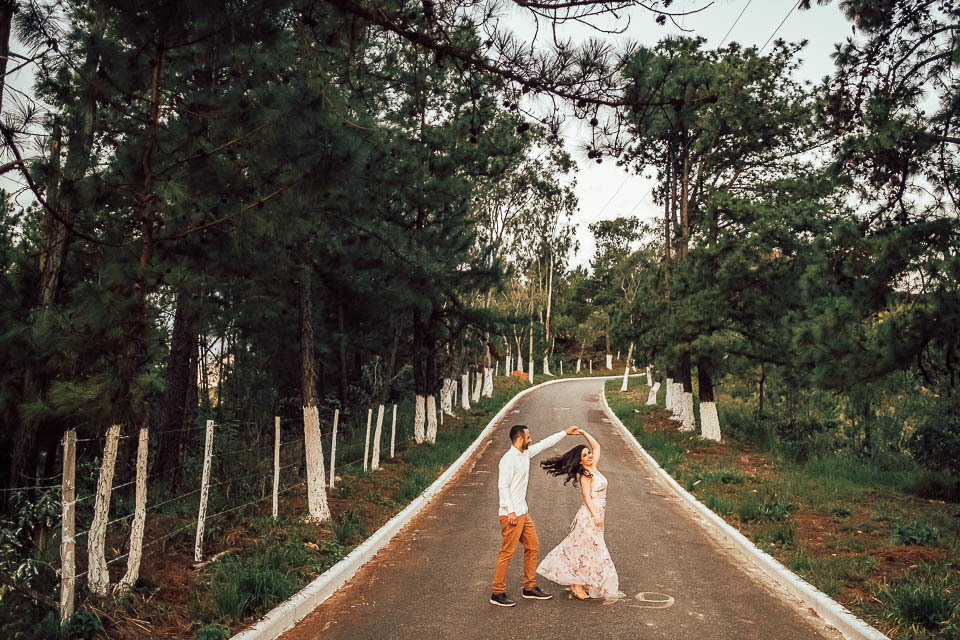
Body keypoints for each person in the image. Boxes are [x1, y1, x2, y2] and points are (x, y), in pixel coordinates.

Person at [490, 423, 580, 607]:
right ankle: (497, 592)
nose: (531, 439)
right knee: (507, 552)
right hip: (511, 514)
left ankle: (529, 587)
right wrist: (511, 511)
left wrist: (564, 432)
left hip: (523, 511)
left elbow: (545, 443)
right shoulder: (508, 460)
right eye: (528, 437)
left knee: (533, 546)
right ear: (520, 439)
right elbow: (502, 486)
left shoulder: (525, 453)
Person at [536, 428, 619, 600]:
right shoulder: (585, 474)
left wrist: (583, 433)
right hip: (589, 516)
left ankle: (580, 581)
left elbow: (597, 447)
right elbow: (587, 497)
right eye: (585, 455)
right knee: (587, 549)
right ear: (580, 462)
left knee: (586, 548)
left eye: (588, 453)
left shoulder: (593, 467)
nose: (589, 455)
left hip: (598, 514)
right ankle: (576, 584)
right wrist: (595, 515)